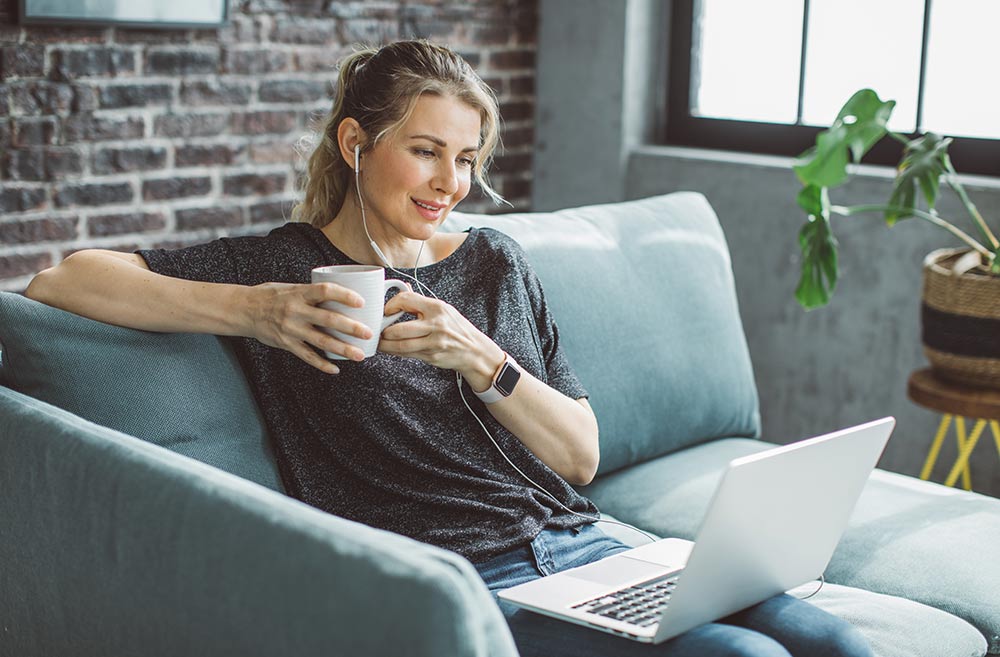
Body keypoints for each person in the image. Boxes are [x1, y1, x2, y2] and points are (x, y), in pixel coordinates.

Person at [25, 39, 873, 657]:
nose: (449, 183)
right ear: (357, 145)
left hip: (587, 541)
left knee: (836, 642)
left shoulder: (494, 262)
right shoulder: (291, 267)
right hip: (475, 578)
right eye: (425, 151)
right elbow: (63, 281)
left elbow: (581, 456)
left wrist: (481, 356)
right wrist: (259, 312)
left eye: (464, 159)